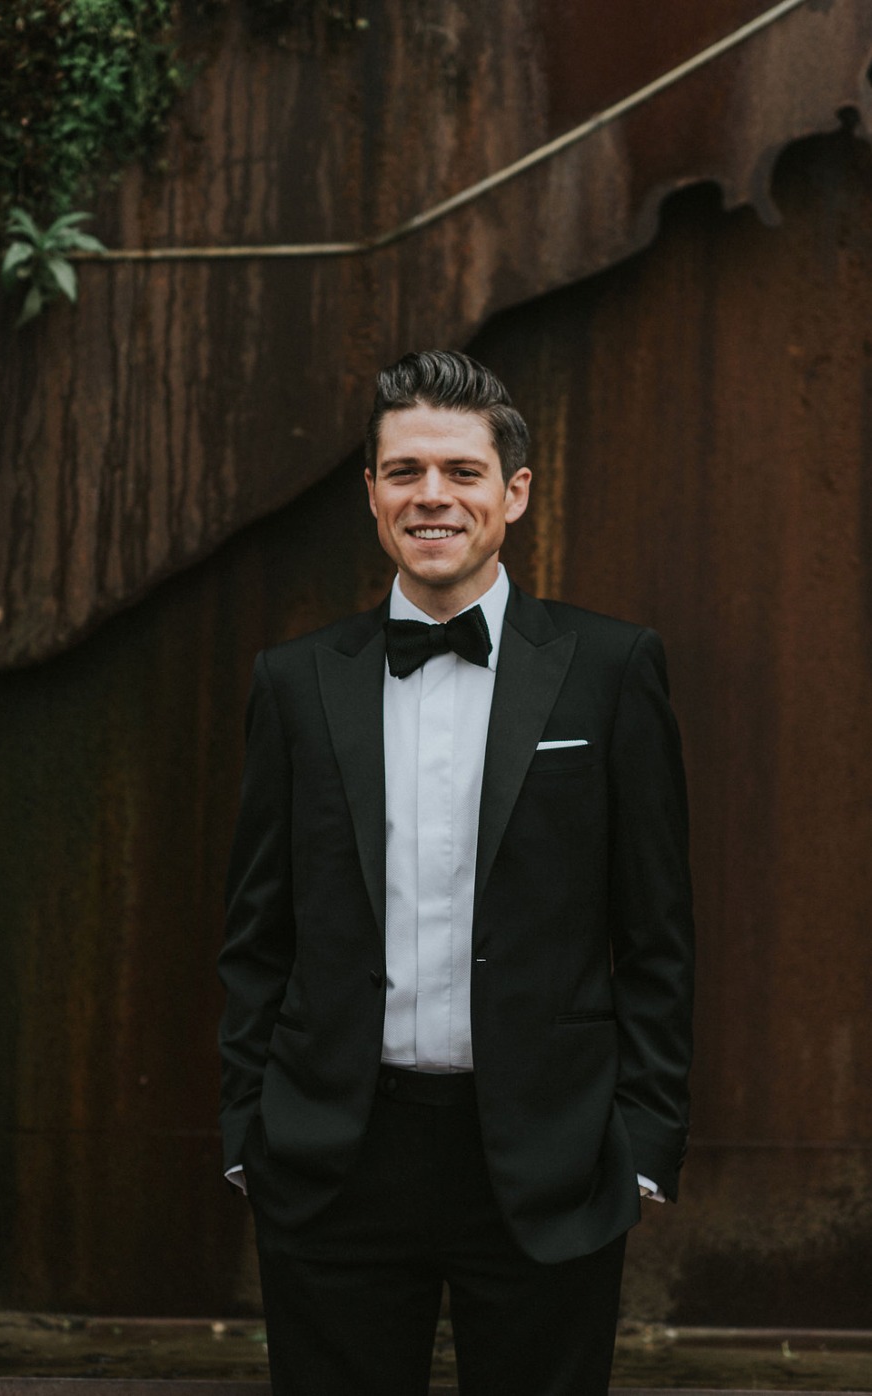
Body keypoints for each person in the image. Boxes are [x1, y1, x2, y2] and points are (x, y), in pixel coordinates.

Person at [218, 349, 694, 1396]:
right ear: (375, 495)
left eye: (462, 471)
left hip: (549, 1148)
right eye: (404, 471)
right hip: (336, 1152)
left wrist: (645, 1140)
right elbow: (258, 930)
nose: (432, 494)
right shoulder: (296, 682)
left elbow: (657, 931)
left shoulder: (612, 670)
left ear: (513, 491)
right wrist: (249, 1127)